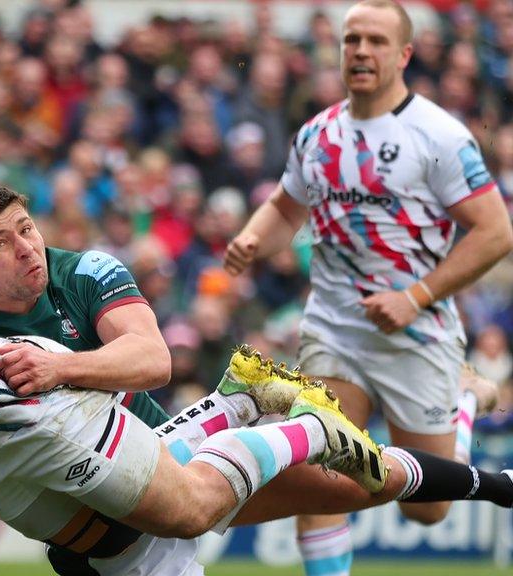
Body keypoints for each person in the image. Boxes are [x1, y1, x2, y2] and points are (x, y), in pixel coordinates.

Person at [0, 181, 513, 575]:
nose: (25, 247)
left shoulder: (84, 271)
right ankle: (264, 409)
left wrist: (60, 366)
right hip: (123, 476)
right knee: (360, 486)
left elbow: (152, 360)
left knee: (376, 492)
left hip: (139, 450)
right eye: (2, 241)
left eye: (27, 229)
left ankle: (454, 460)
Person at [223, 2, 513, 575]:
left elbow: (496, 232)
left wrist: (415, 297)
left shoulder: (439, 136)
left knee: (427, 509)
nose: (360, 50)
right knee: (323, 467)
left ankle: (464, 401)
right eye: (352, 38)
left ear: (404, 54)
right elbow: (286, 207)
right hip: (335, 325)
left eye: (376, 40)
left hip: (416, 329)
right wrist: (254, 237)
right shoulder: (318, 133)